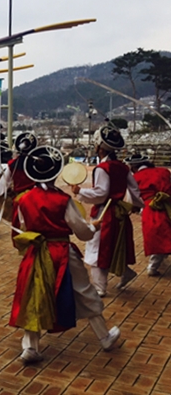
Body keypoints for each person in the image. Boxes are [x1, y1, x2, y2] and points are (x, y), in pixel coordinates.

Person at [10, 145, 120, 365]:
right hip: (61, 252)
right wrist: (94, 227)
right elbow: (81, 231)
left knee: (33, 296)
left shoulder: (22, 199)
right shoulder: (62, 200)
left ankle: (30, 347)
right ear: (56, 173)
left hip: (35, 252)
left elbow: (19, 230)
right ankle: (105, 337)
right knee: (84, 291)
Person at [71, 126, 143, 297]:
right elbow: (135, 189)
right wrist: (138, 206)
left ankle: (99, 287)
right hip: (119, 212)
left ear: (99, 148)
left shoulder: (103, 168)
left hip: (106, 212)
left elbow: (101, 193)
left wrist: (79, 192)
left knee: (98, 248)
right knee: (116, 245)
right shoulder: (123, 167)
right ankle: (125, 272)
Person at [125, 152, 171, 277]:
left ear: (134, 168)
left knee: (156, 237)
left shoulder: (136, 178)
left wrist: (133, 208)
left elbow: (133, 199)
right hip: (168, 203)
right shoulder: (164, 171)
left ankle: (153, 266)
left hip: (151, 207)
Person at [0, 132, 37, 243]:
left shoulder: (13, 164)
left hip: (20, 198)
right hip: (36, 197)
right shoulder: (36, 163)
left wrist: (1, 192)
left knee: (20, 223)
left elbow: (4, 181)